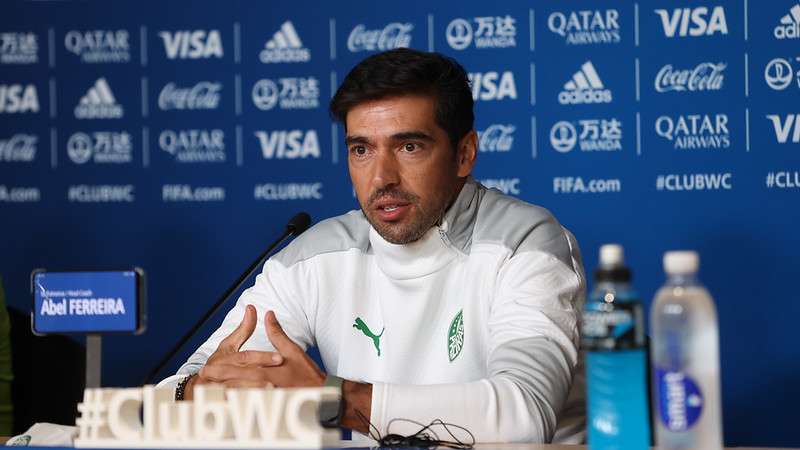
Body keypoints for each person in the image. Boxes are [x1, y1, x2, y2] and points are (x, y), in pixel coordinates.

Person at [160, 48, 586, 444]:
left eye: (409, 146)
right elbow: (164, 399)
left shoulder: (526, 243)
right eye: (361, 149)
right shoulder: (315, 256)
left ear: (464, 153)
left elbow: (525, 413)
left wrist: (333, 400)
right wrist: (199, 391)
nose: (382, 177)